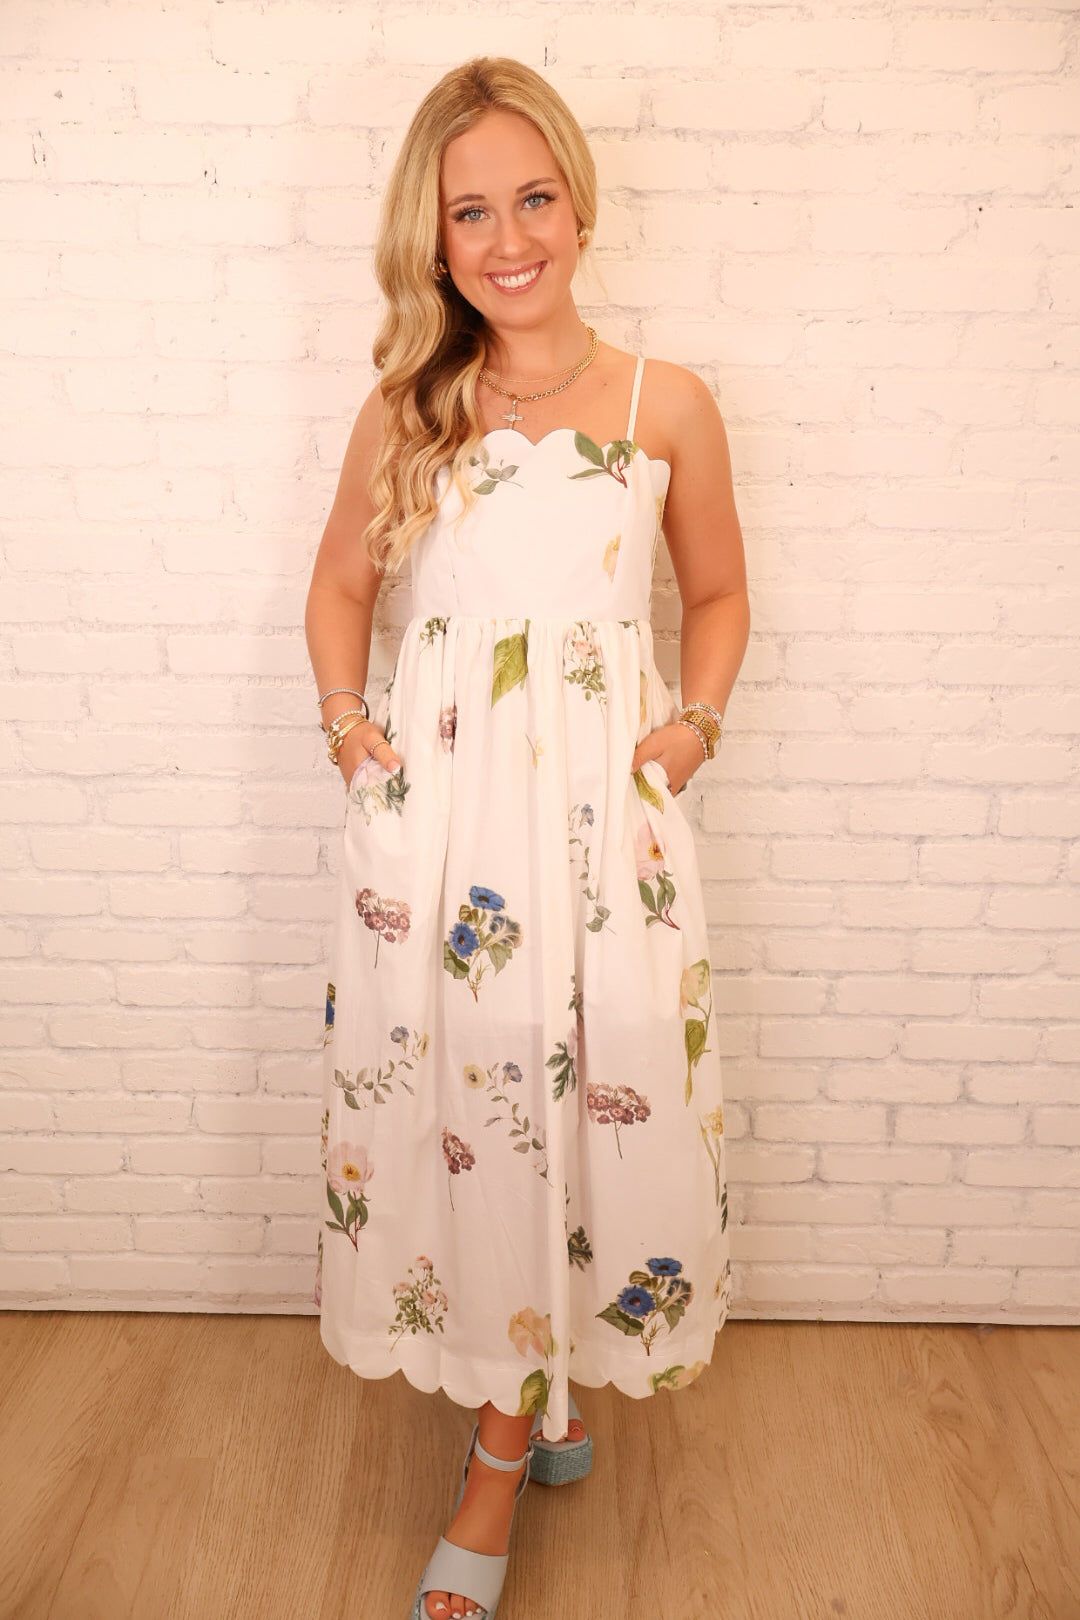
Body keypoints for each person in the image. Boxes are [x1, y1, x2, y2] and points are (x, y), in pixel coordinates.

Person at [305, 55, 749, 1620]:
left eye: (534, 198)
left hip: (604, 824)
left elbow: (718, 593)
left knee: (606, 1080)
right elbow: (340, 588)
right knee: (481, 1100)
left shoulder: (662, 403)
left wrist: (692, 729)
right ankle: (506, 1444)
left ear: (580, 199)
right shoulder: (410, 407)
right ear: (432, 241)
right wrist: (352, 734)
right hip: (449, 828)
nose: (510, 239)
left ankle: (533, 1397)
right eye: (471, 212)